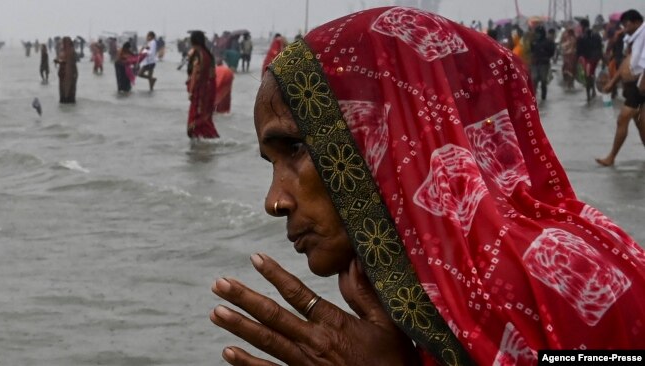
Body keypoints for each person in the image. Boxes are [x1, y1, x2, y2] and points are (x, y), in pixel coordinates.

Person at [210, 7, 645, 365]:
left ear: (389, 138)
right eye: (271, 163)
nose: (274, 201)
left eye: (296, 148)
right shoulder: (428, 292)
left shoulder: (563, 280)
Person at [596, 9, 645, 167]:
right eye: (623, 24)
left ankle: (611, 157)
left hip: (640, 85)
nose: (624, 27)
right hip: (631, 86)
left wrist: (642, 85)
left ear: (637, 22)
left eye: (627, 24)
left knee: (622, 119)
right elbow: (627, 62)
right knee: (641, 123)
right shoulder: (632, 39)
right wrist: (613, 82)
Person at [186, 31, 219, 139]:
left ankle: (206, 144)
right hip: (209, 89)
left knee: (194, 122)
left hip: (201, 91)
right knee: (205, 119)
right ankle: (208, 146)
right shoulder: (207, 53)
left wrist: (191, 91)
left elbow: (196, 75)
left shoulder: (197, 54)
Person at [576, 18, 603, 102]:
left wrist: (579, 58)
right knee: (591, 74)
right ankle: (592, 92)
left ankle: (588, 96)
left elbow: (579, 50)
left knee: (588, 76)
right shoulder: (596, 35)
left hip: (588, 59)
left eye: (580, 25)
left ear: (583, 26)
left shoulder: (583, 36)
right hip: (594, 58)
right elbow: (600, 47)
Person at [530, 26, 555, 100]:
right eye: (536, 33)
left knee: (543, 81)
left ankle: (543, 98)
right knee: (534, 80)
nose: (537, 35)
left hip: (544, 64)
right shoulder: (533, 41)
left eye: (539, 33)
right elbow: (531, 51)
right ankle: (533, 98)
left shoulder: (548, 42)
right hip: (535, 63)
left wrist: (546, 56)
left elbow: (552, 52)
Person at [54, 36, 78, 104]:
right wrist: (58, 61)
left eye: (63, 42)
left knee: (69, 91)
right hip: (63, 74)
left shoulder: (71, 51)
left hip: (69, 73)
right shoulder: (64, 49)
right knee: (63, 92)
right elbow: (61, 59)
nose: (62, 43)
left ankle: (68, 101)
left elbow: (69, 63)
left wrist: (60, 61)